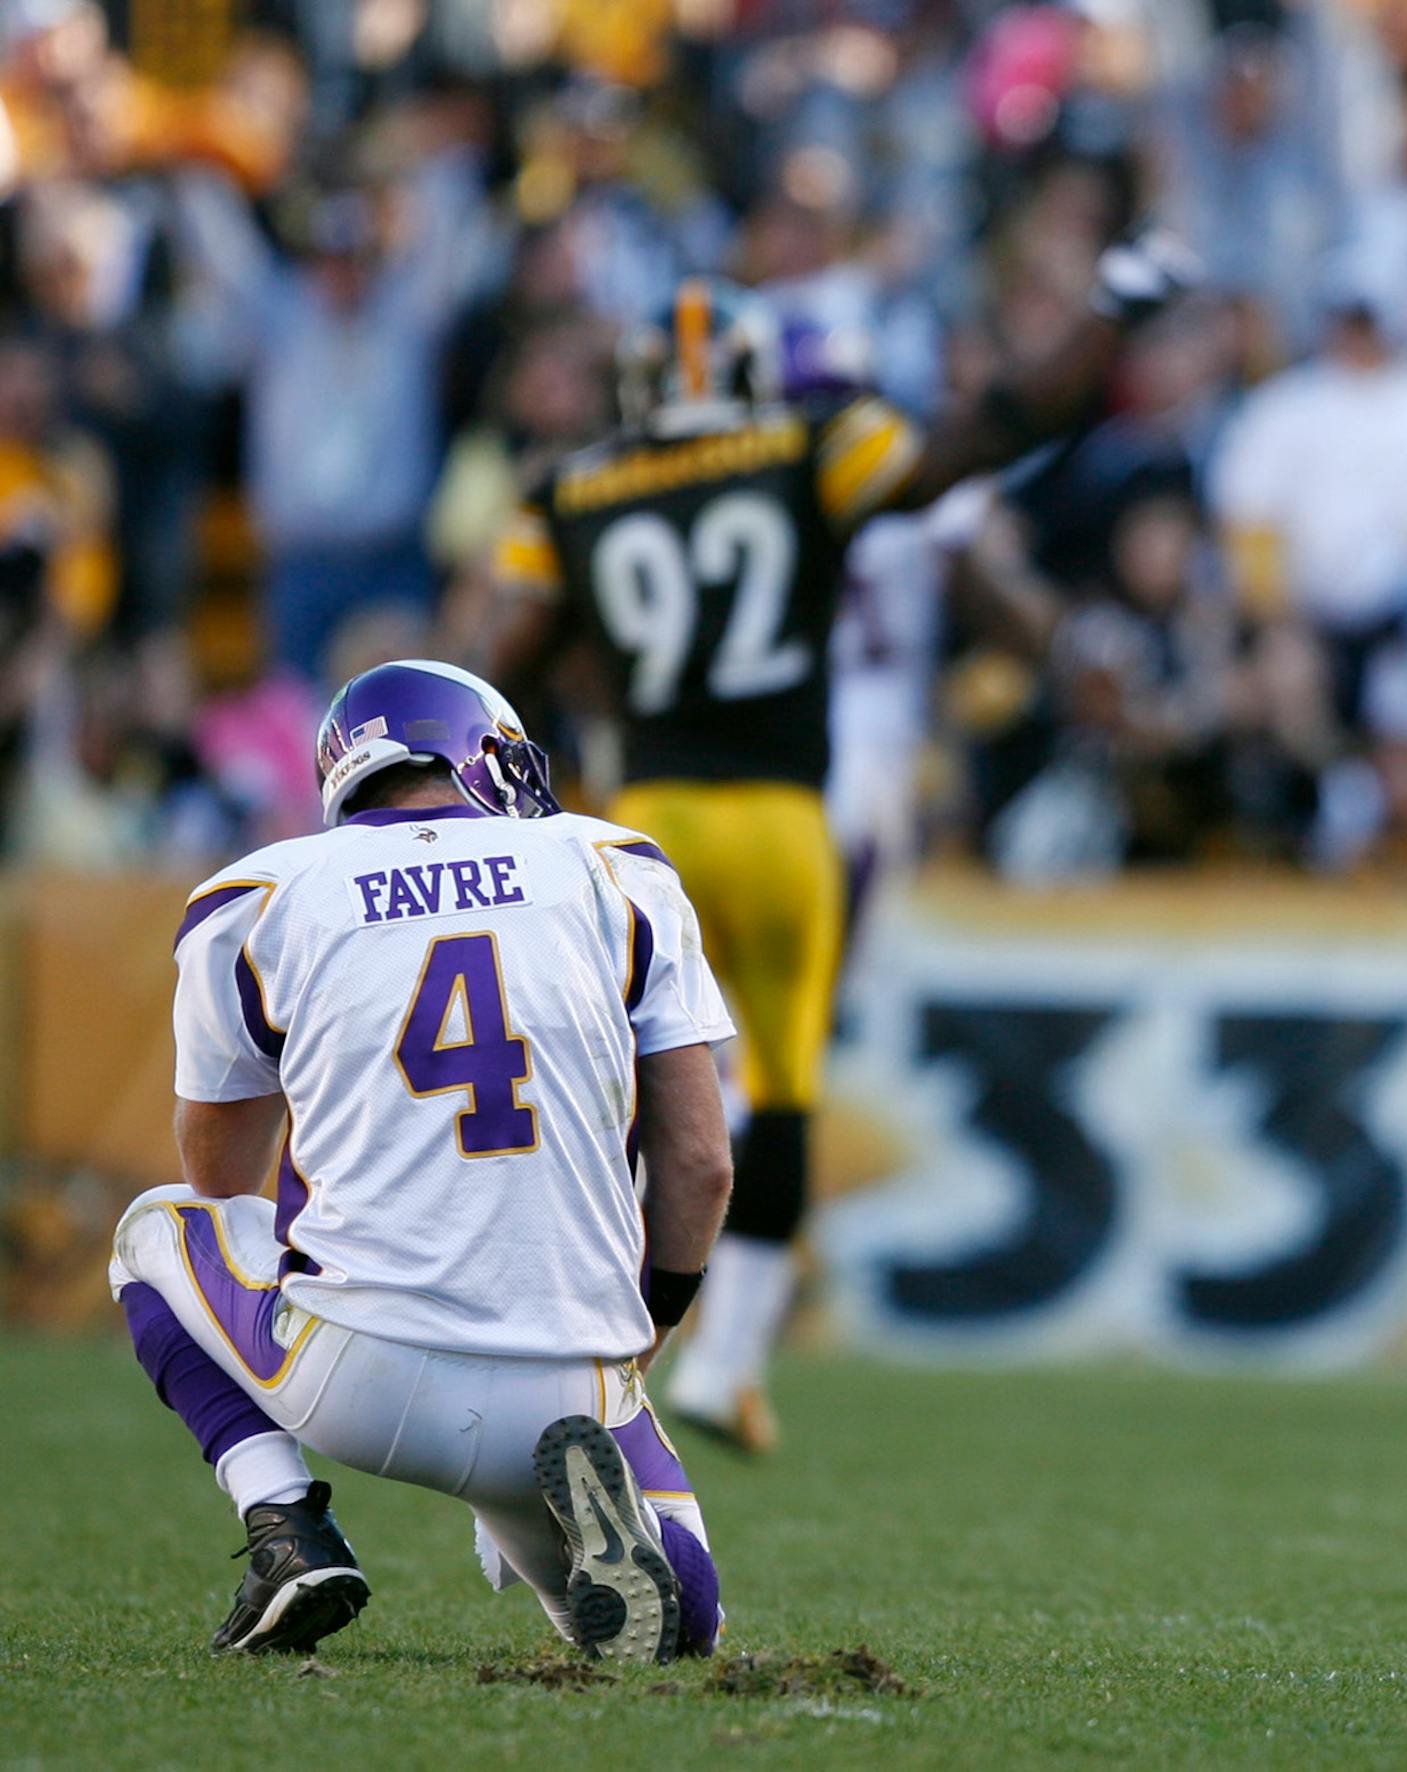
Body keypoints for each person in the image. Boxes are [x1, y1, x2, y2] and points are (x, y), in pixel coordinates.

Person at [485, 237, 1196, 1451]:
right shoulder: (809, 446)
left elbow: (495, 674)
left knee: (610, 1103)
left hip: (642, 827)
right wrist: (1104, 312)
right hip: (784, 818)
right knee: (785, 1088)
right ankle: (731, 1352)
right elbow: (992, 431)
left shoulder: (570, 489)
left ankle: (570, 1362)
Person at [108, 660, 735, 1661]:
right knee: (683, 1630)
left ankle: (284, 1523)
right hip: (576, 1369)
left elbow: (222, 1176)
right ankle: (583, 1509)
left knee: (155, 1229)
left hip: (360, 1373)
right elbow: (701, 1162)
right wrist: (646, 1327)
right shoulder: (612, 865)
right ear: (479, 753)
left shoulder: (259, 895)